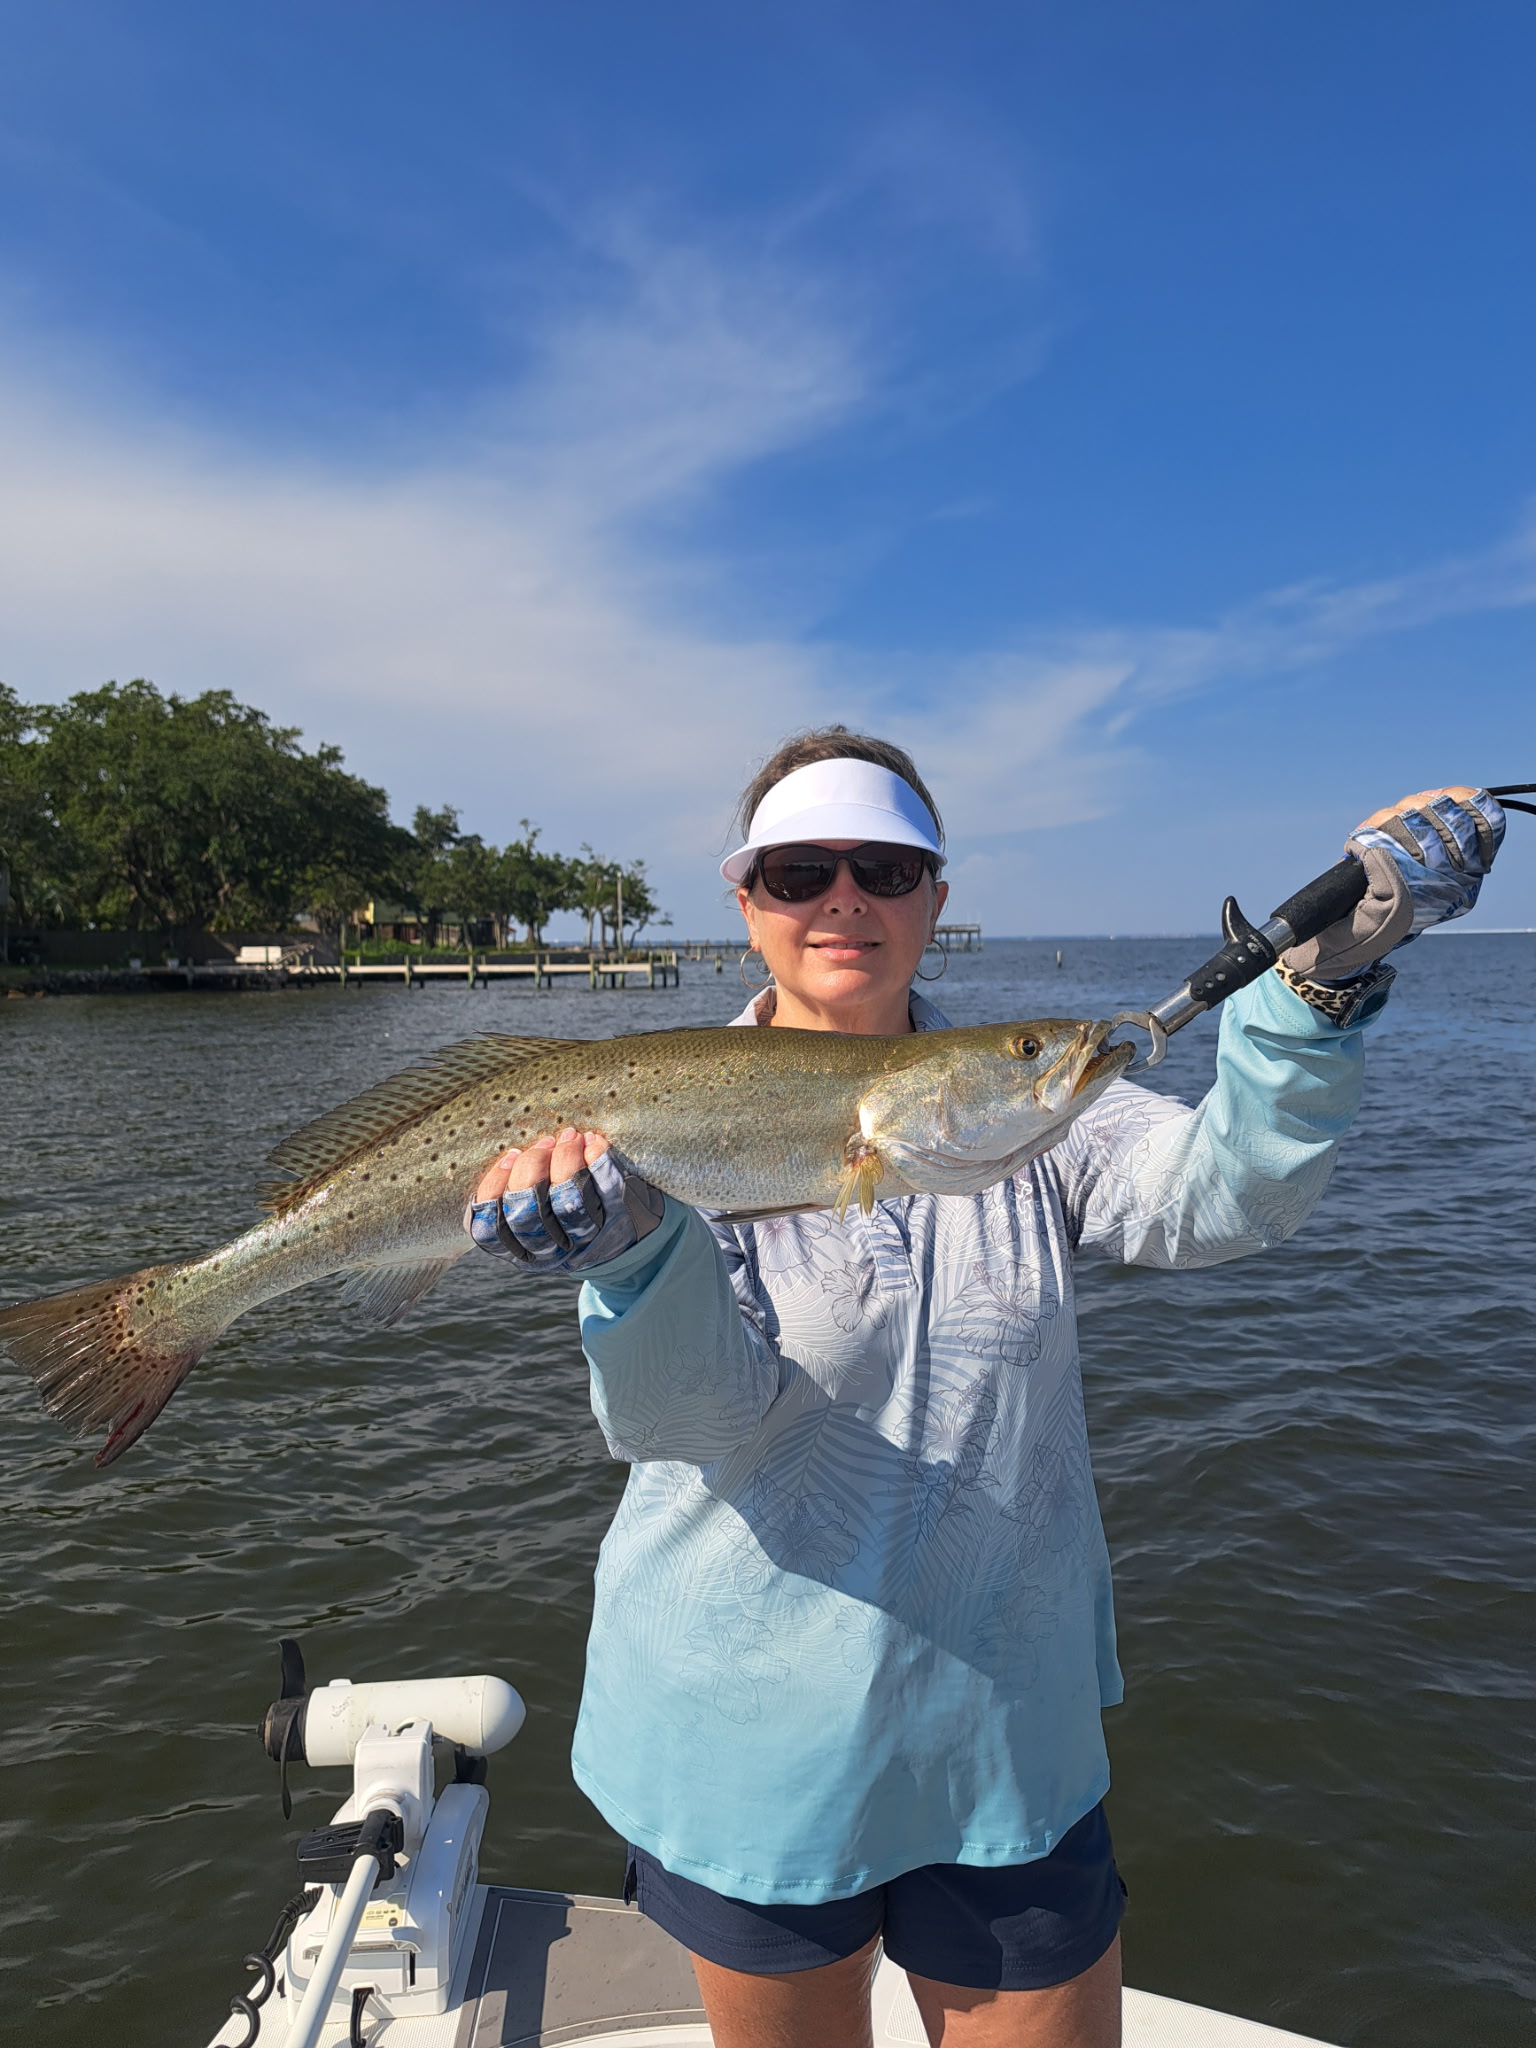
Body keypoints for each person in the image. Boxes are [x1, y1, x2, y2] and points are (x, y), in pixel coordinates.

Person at [468, 731, 1503, 2048]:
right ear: (746, 901)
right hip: (748, 1736)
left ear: (935, 900)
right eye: (800, 870)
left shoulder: (1018, 1098)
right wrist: (635, 1257)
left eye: (886, 867)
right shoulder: (652, 1123)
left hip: (1004, 1730)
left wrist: (1318, 992)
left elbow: (1224, 1198)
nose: (845, 897)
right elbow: (689, 1424)